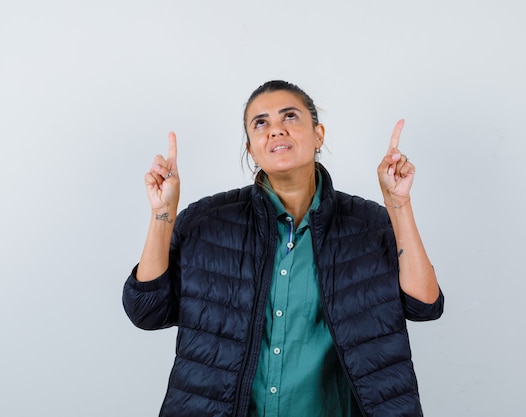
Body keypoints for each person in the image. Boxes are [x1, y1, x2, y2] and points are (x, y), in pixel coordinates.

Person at [123, 80, 444, 417]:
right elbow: (147, 310)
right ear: (251, 147)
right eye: (261, 123)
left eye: (289, 117)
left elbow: (425, 304)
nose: (275, 130)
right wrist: (163, 213)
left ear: (319, 134)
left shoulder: (369, 225)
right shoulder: (205, 222)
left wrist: (398, 204)